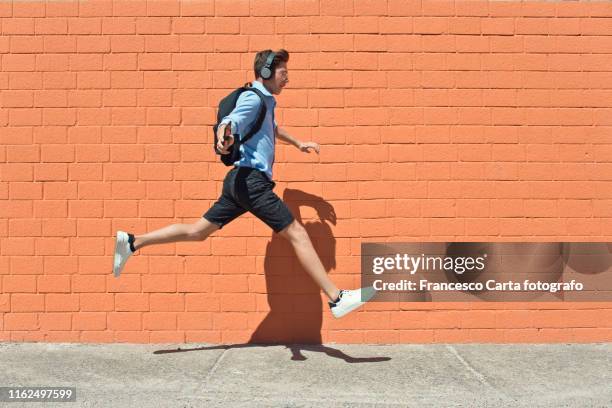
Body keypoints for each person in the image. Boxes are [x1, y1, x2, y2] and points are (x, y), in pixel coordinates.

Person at [113, 49, 375, 318]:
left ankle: (133, 242)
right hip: (251, 181)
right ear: (266, 73)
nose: (288, 79)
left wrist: (298, 143)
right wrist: (223, 134)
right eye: (284, 73)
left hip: (237, 182)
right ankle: (336, 299)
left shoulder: (266, 102)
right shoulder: (253, 97)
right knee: (297, 233)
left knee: (197, 232)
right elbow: (233, 121)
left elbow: (270, 127)